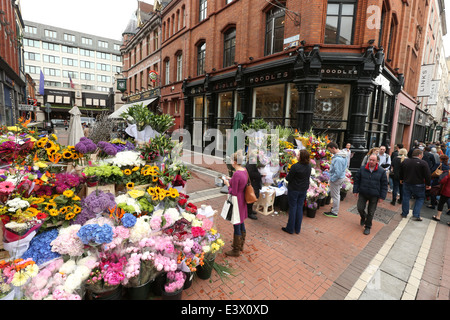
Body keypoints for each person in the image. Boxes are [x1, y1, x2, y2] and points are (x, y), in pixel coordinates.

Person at [353, 154, 388, 235]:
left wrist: (382, 196)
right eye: (370, 160)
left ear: (377, 161)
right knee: (360, 208)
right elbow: (357, 180)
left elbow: (384, 185)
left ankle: (368, 226)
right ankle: (363, 217)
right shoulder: (362, 169)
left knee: (371, 212)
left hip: (374, 194)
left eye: (373, 160)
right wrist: (355, 190)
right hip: (363, 192)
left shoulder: (381, 171)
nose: (371, 161)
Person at [222, 151, 248, 257]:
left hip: (237, 201)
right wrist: (230, 179)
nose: (231, 162)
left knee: (236, 222)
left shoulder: (237, 173)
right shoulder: (244, 170)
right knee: (241, 221)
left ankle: (236, 249)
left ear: (236, 161)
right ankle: (241, 244)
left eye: (232, 160)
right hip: (243, 200)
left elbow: (234, 192)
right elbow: (240, 183)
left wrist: (228, 184)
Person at [282, 149, 311, 234]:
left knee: (293, 208)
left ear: (302, 157)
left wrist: (288, 175)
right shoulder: (309, 166)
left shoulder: (295, 166)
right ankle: (297, 229)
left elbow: (288, 178)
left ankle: (290, 228)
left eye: (298, 155)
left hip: (294, 189)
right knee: (299, 208)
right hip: (303, 189)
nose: (297, 156)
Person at [399, 149, 431, 221]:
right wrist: (428, 184)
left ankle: (404, 213)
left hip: (407, 183)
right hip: (419, 184)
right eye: (422, 155)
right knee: (420, 198)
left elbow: (401, 171)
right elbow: (427, 175)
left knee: (406, 198)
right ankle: (416, 215)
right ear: (419, 155)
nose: (422, 156)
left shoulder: (405, 161)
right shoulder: (423, 163)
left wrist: (401, 179)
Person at [324, 142, 348, 218]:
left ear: (333, 148)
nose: (330, 151)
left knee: (335, 196)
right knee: (337, 194)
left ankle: (334, 212)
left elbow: (338, 172)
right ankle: (335, 208)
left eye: (330, 150)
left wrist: (331, 178)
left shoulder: (338, 159)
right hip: (340, 177)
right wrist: (330, 171)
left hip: (337, 179)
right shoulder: (342, 155)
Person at [245, 152, 262, 220]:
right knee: (252, 197)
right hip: (252, 184)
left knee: (253, 197)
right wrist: (260, 175)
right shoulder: (250, 164)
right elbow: (251, 174)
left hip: (254, 183)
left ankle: (250, 210)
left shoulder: (252, 163)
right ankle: (249, 212)